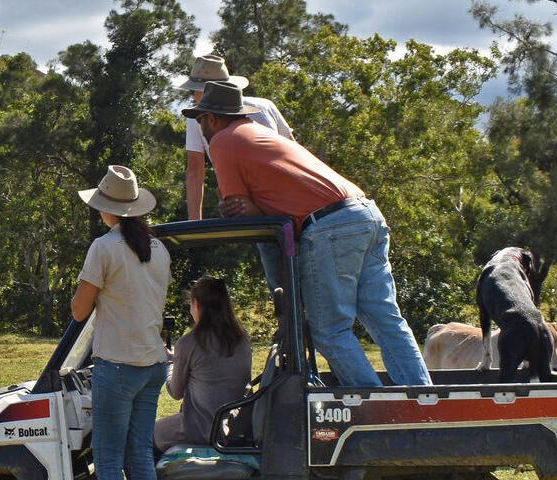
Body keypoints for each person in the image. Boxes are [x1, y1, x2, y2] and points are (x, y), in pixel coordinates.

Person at [182, 80, 430, 387]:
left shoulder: (223, 141)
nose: (201, 128)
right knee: (385, 320)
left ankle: (375, 408)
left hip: (329, 227)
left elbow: (237, 209)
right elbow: (263, 206)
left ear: (213, 118)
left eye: (200, 119)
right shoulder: (261, 134)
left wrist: (244, 209)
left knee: (330, 331)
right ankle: (423, 402)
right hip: (365, 214)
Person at [71, 165, 173, 480]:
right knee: (140, 453)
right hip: (153, 363)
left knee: (108, 460)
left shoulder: (103, 247)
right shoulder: (160, 249)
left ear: (106, 208)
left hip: (117, 366)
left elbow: (78, 311)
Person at [180, 55, 295, 220]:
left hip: (267, 202)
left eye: (194, 90)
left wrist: (193, 224)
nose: (192, 96)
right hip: (271, 201)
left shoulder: (263, 107)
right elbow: (194, 171)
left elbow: (195, 171)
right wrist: (194, 225)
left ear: (211, 91)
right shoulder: (265, 106)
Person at [154, 277, 251, 452]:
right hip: (235, 426)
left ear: (197, 305)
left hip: (201, 428)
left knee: (145, 435)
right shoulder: (242, 339)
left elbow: (175, 392)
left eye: (191, 304)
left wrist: (169, 364)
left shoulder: (189, 342)